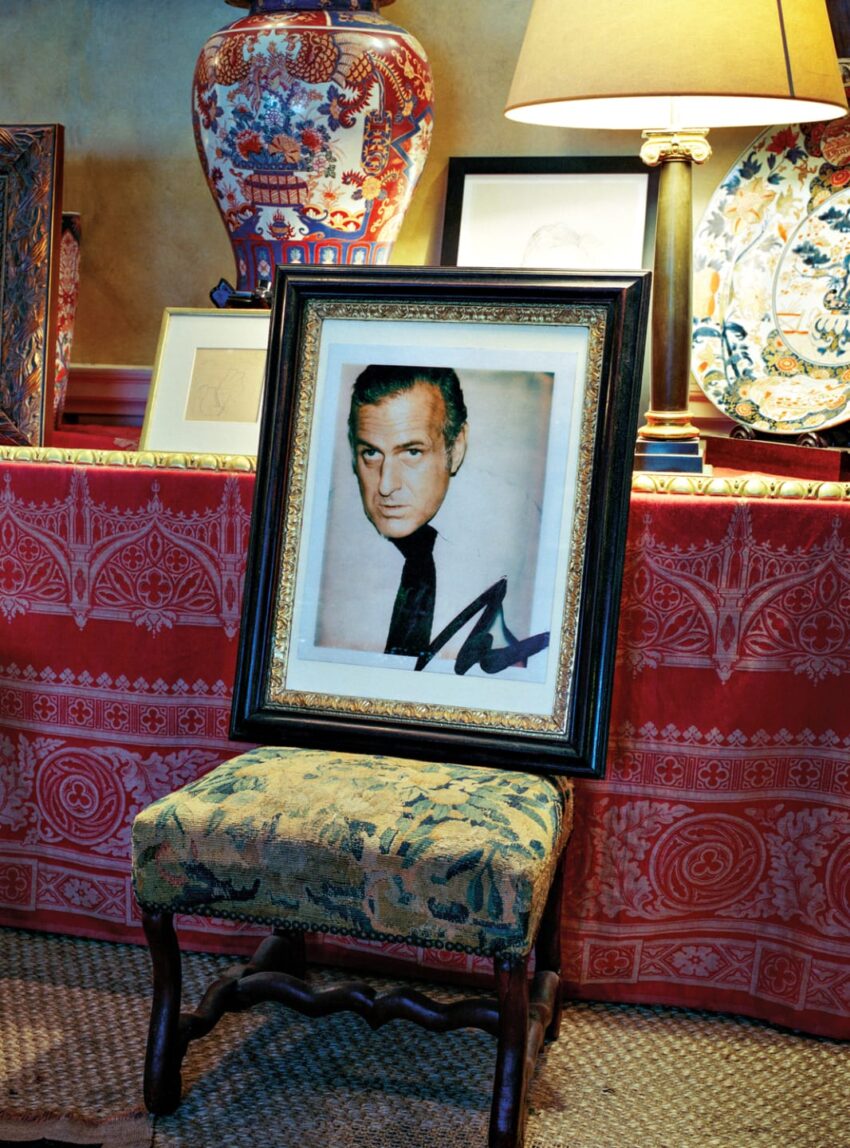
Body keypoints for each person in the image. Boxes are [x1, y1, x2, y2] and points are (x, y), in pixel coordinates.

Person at [332, 364, 549, 674]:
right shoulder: (322, 557)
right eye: (371, 453)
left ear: (456, 447)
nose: (386, 484)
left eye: (412, 452)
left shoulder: (524, 545)